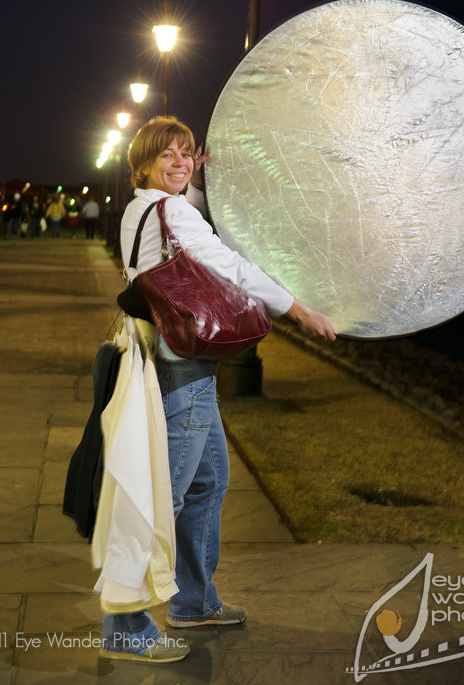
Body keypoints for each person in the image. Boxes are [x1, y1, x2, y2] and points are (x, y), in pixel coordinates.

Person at [100, 115, 336, 664]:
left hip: (173, 358)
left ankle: (194, 601)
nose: (181, 163)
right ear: (144, 163)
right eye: (168, 156)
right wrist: (296, 307)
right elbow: (226, 261)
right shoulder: (173, 211)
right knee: (165, 494)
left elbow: (193, 223)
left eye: (187, 154)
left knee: (208, 482)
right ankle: (124, 625)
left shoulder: (143, 208)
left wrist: (197, 181)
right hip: (182, 365)